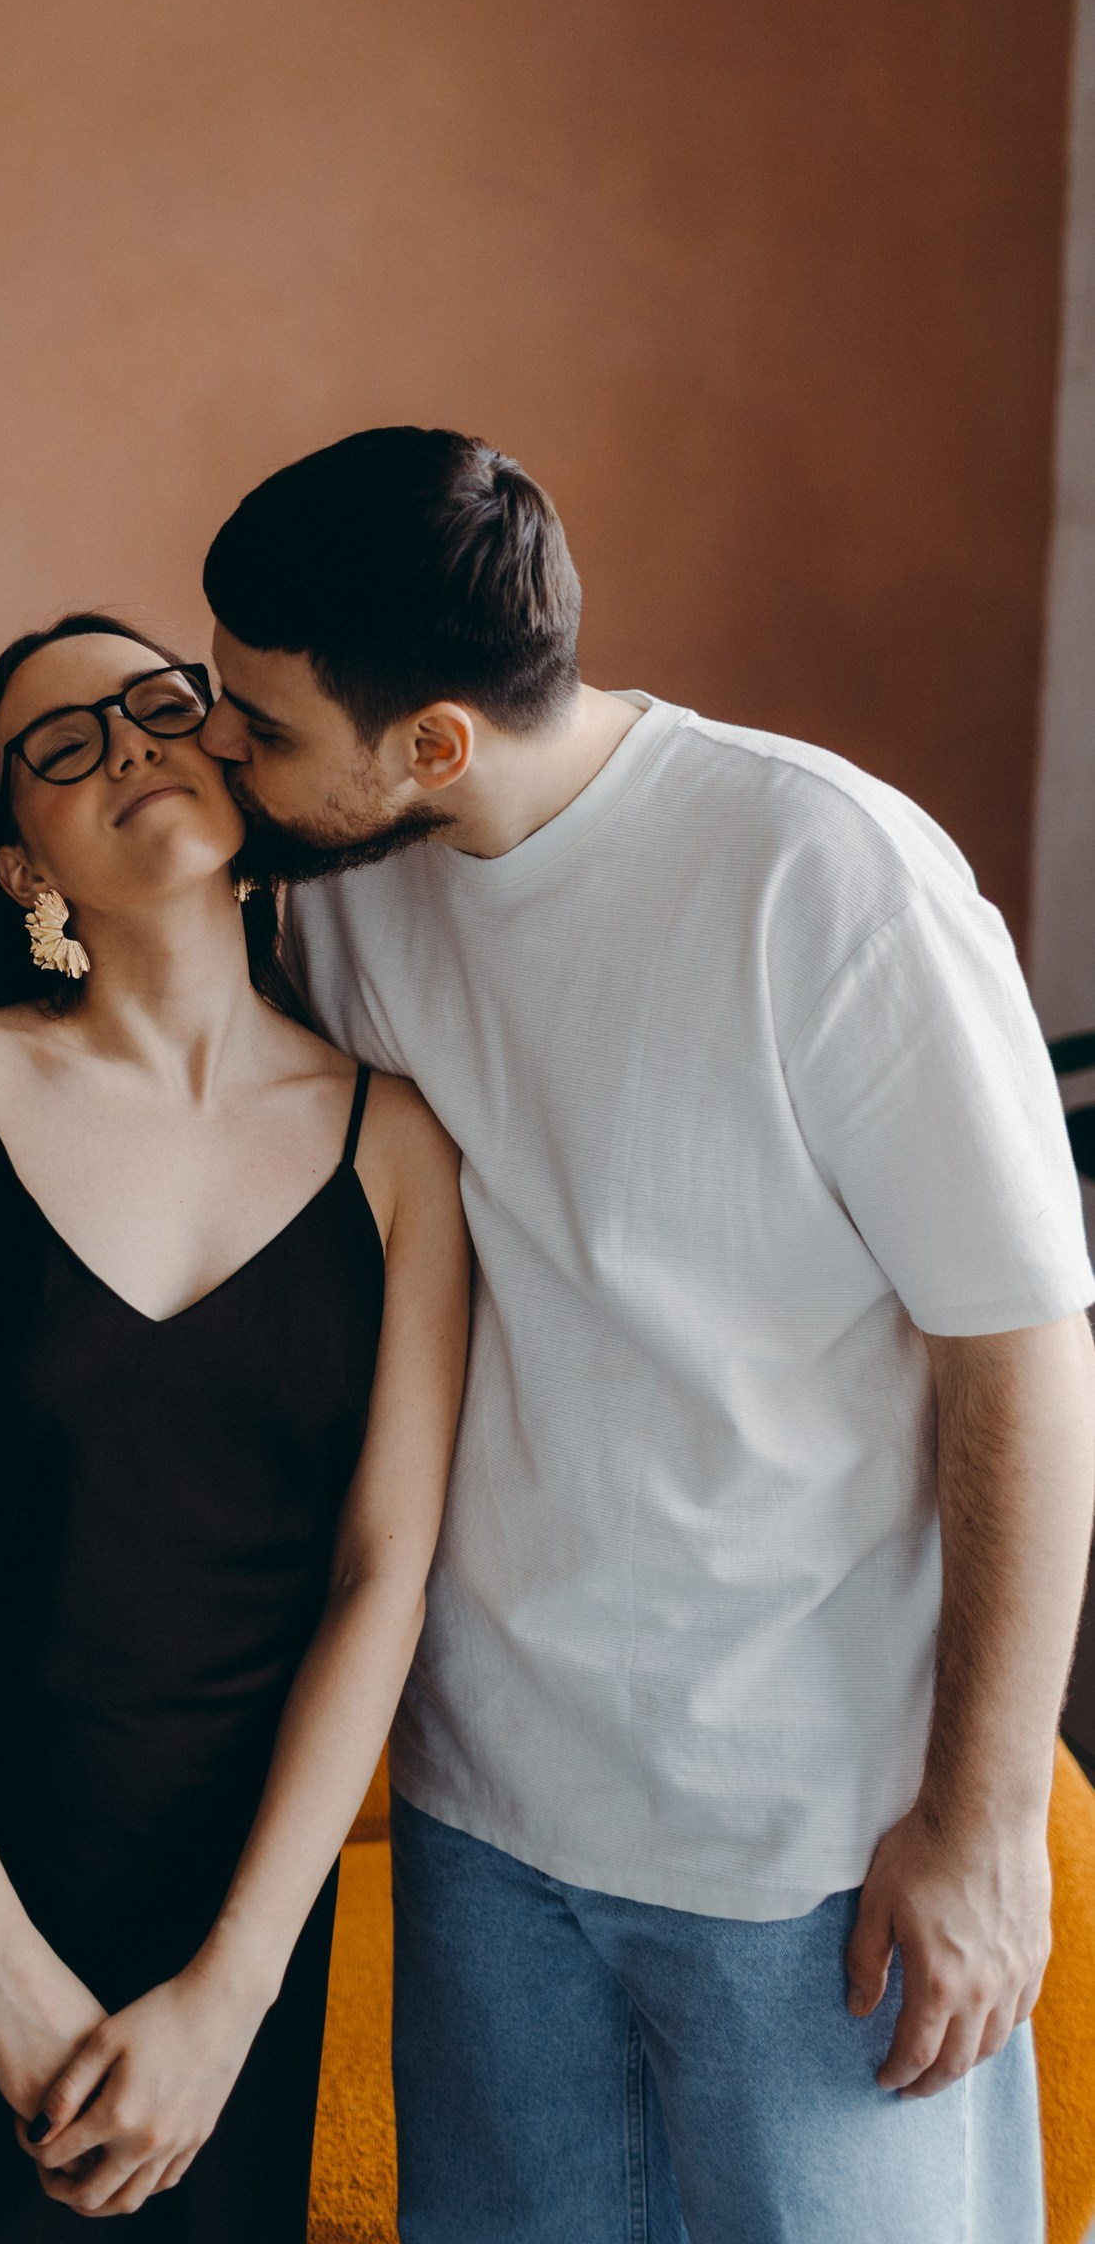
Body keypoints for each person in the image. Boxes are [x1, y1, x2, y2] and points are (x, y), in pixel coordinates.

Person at [197, 426, 1095, 2244]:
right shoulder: (347, 889)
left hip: (806, 1855)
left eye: (263, 724)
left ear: (433, 744)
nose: (224, 749)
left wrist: (987, 1825)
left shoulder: (823, 873)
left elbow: (1022, 1350)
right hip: (483, 1824)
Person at [0, 611, 467, 2239]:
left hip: (219, 1944)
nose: (129, 743)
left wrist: (234, 1987)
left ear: (240, 762)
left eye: (158, 704)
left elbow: (383, 1577)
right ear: (23, 866)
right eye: (63, 745)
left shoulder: (398, 1143)